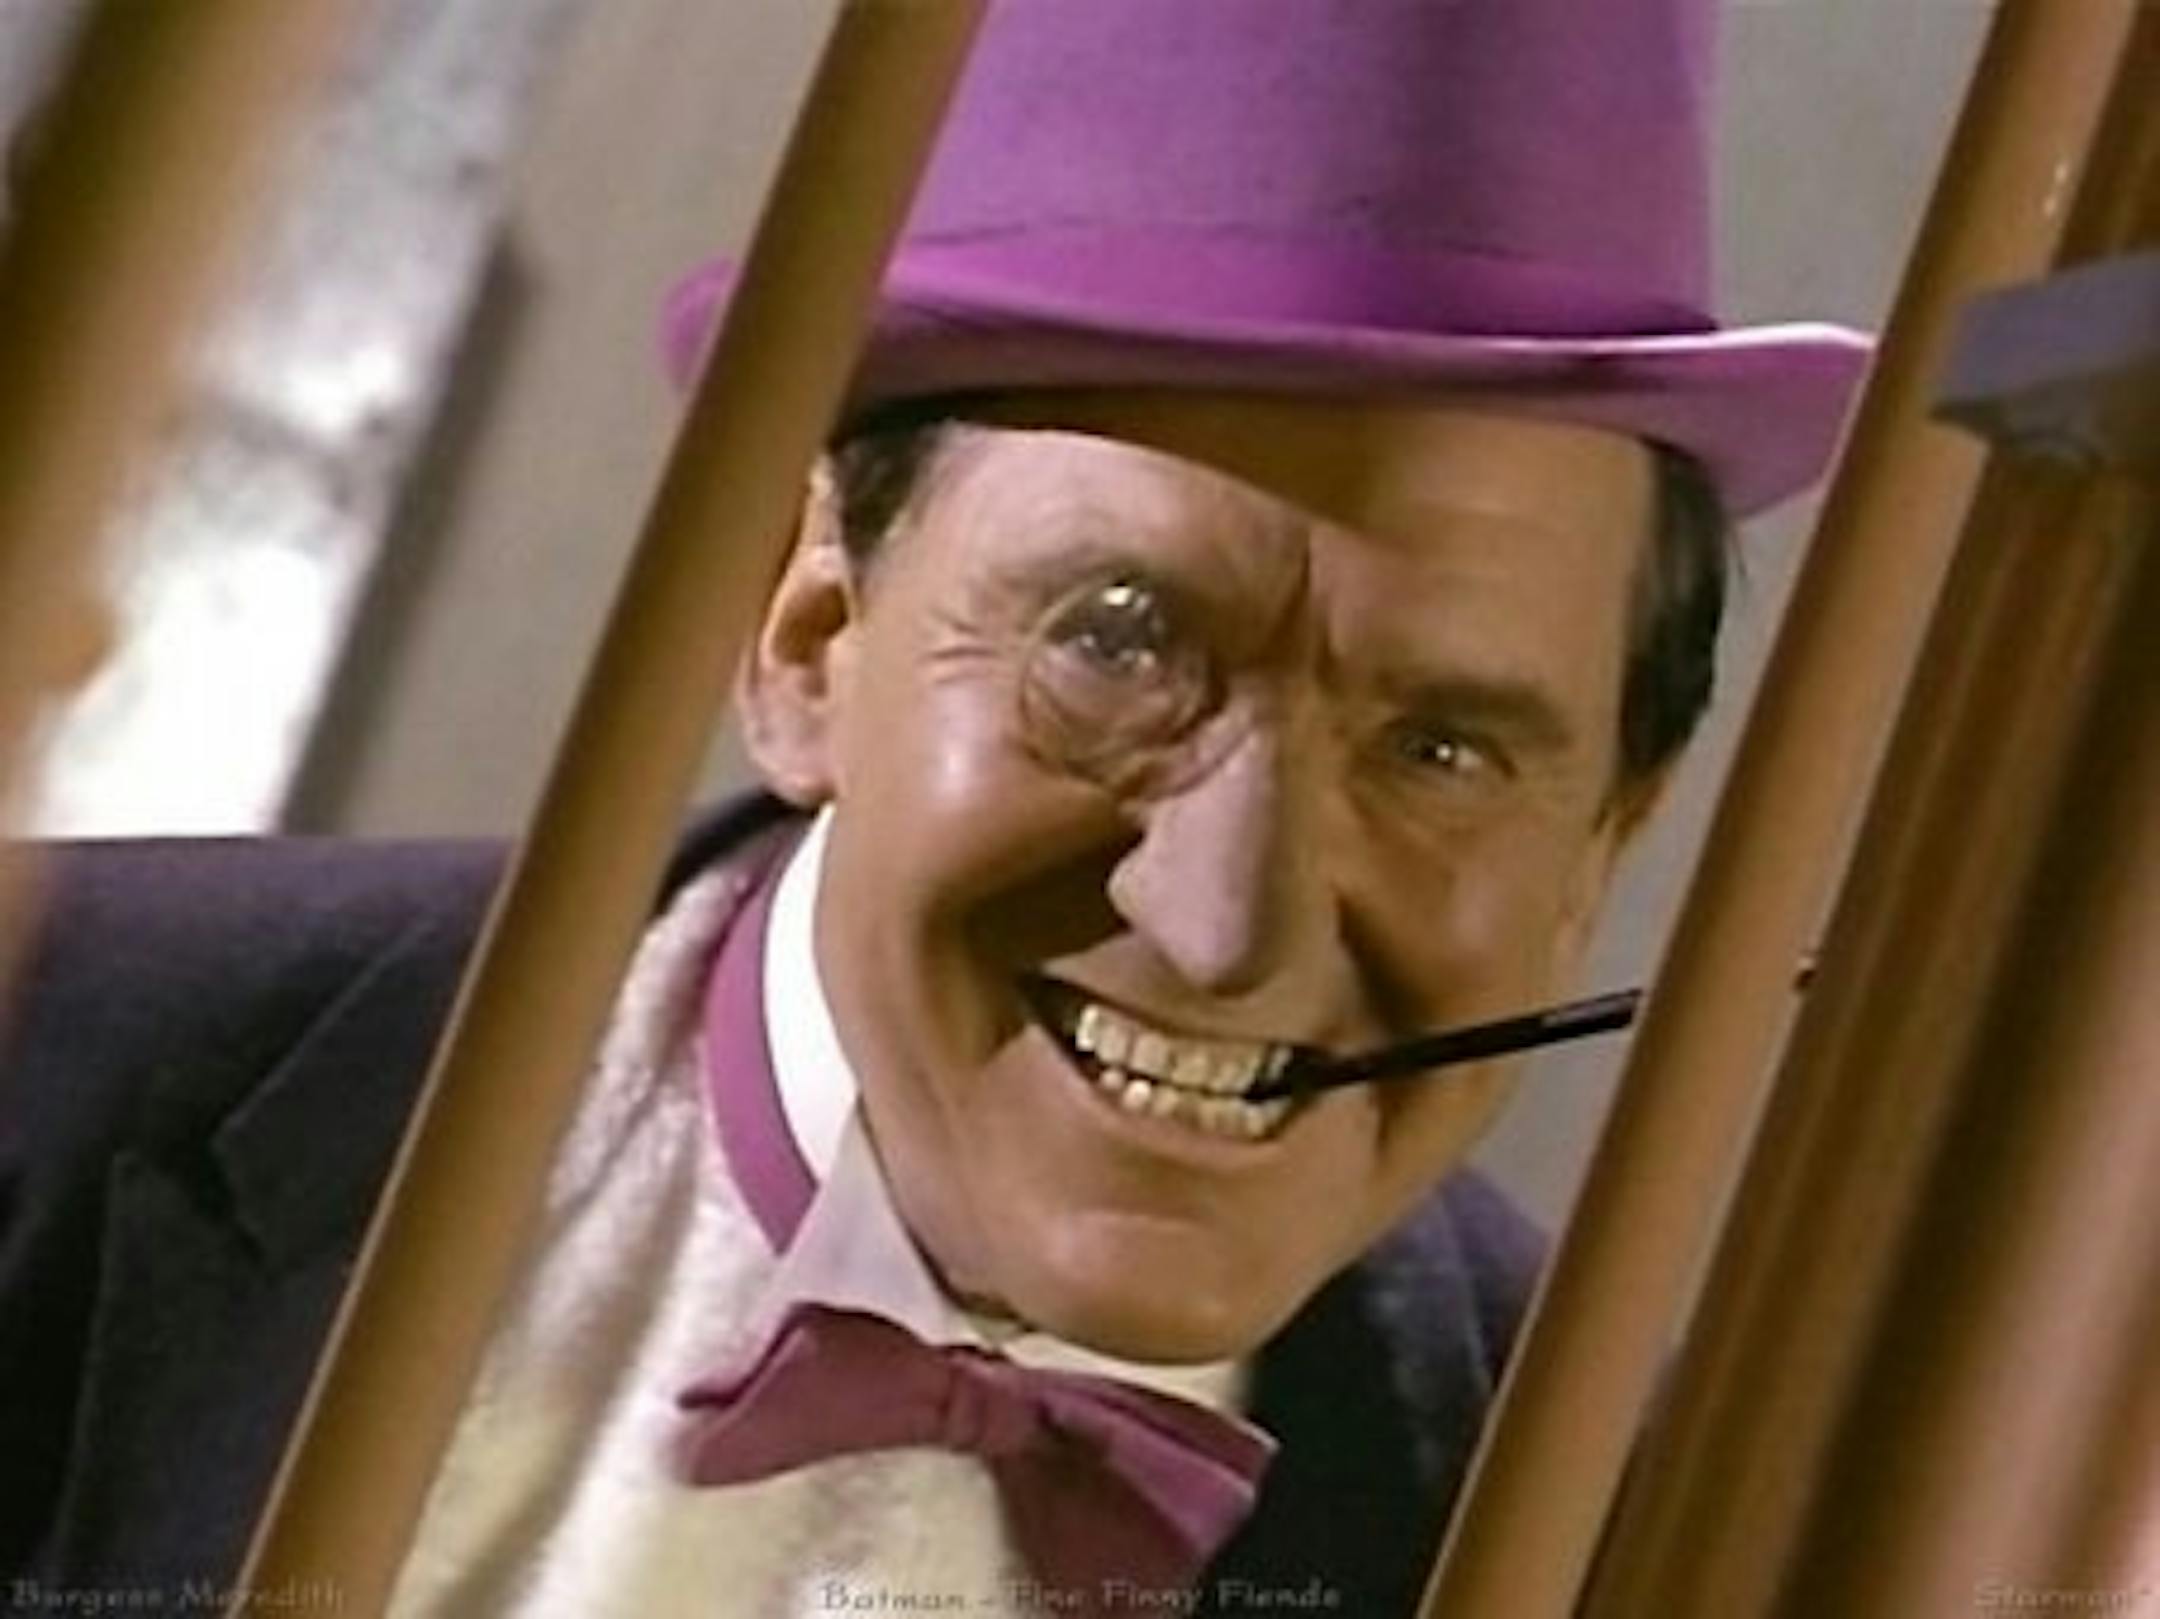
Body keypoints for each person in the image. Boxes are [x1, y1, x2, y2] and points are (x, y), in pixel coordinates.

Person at [0, 1, 1867, 1614]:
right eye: (1117, 647)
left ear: (1608, 840)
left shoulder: (1645, 1545)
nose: (1231, 920)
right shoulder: (51, 1065)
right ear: (810, 631)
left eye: (1444, 749)